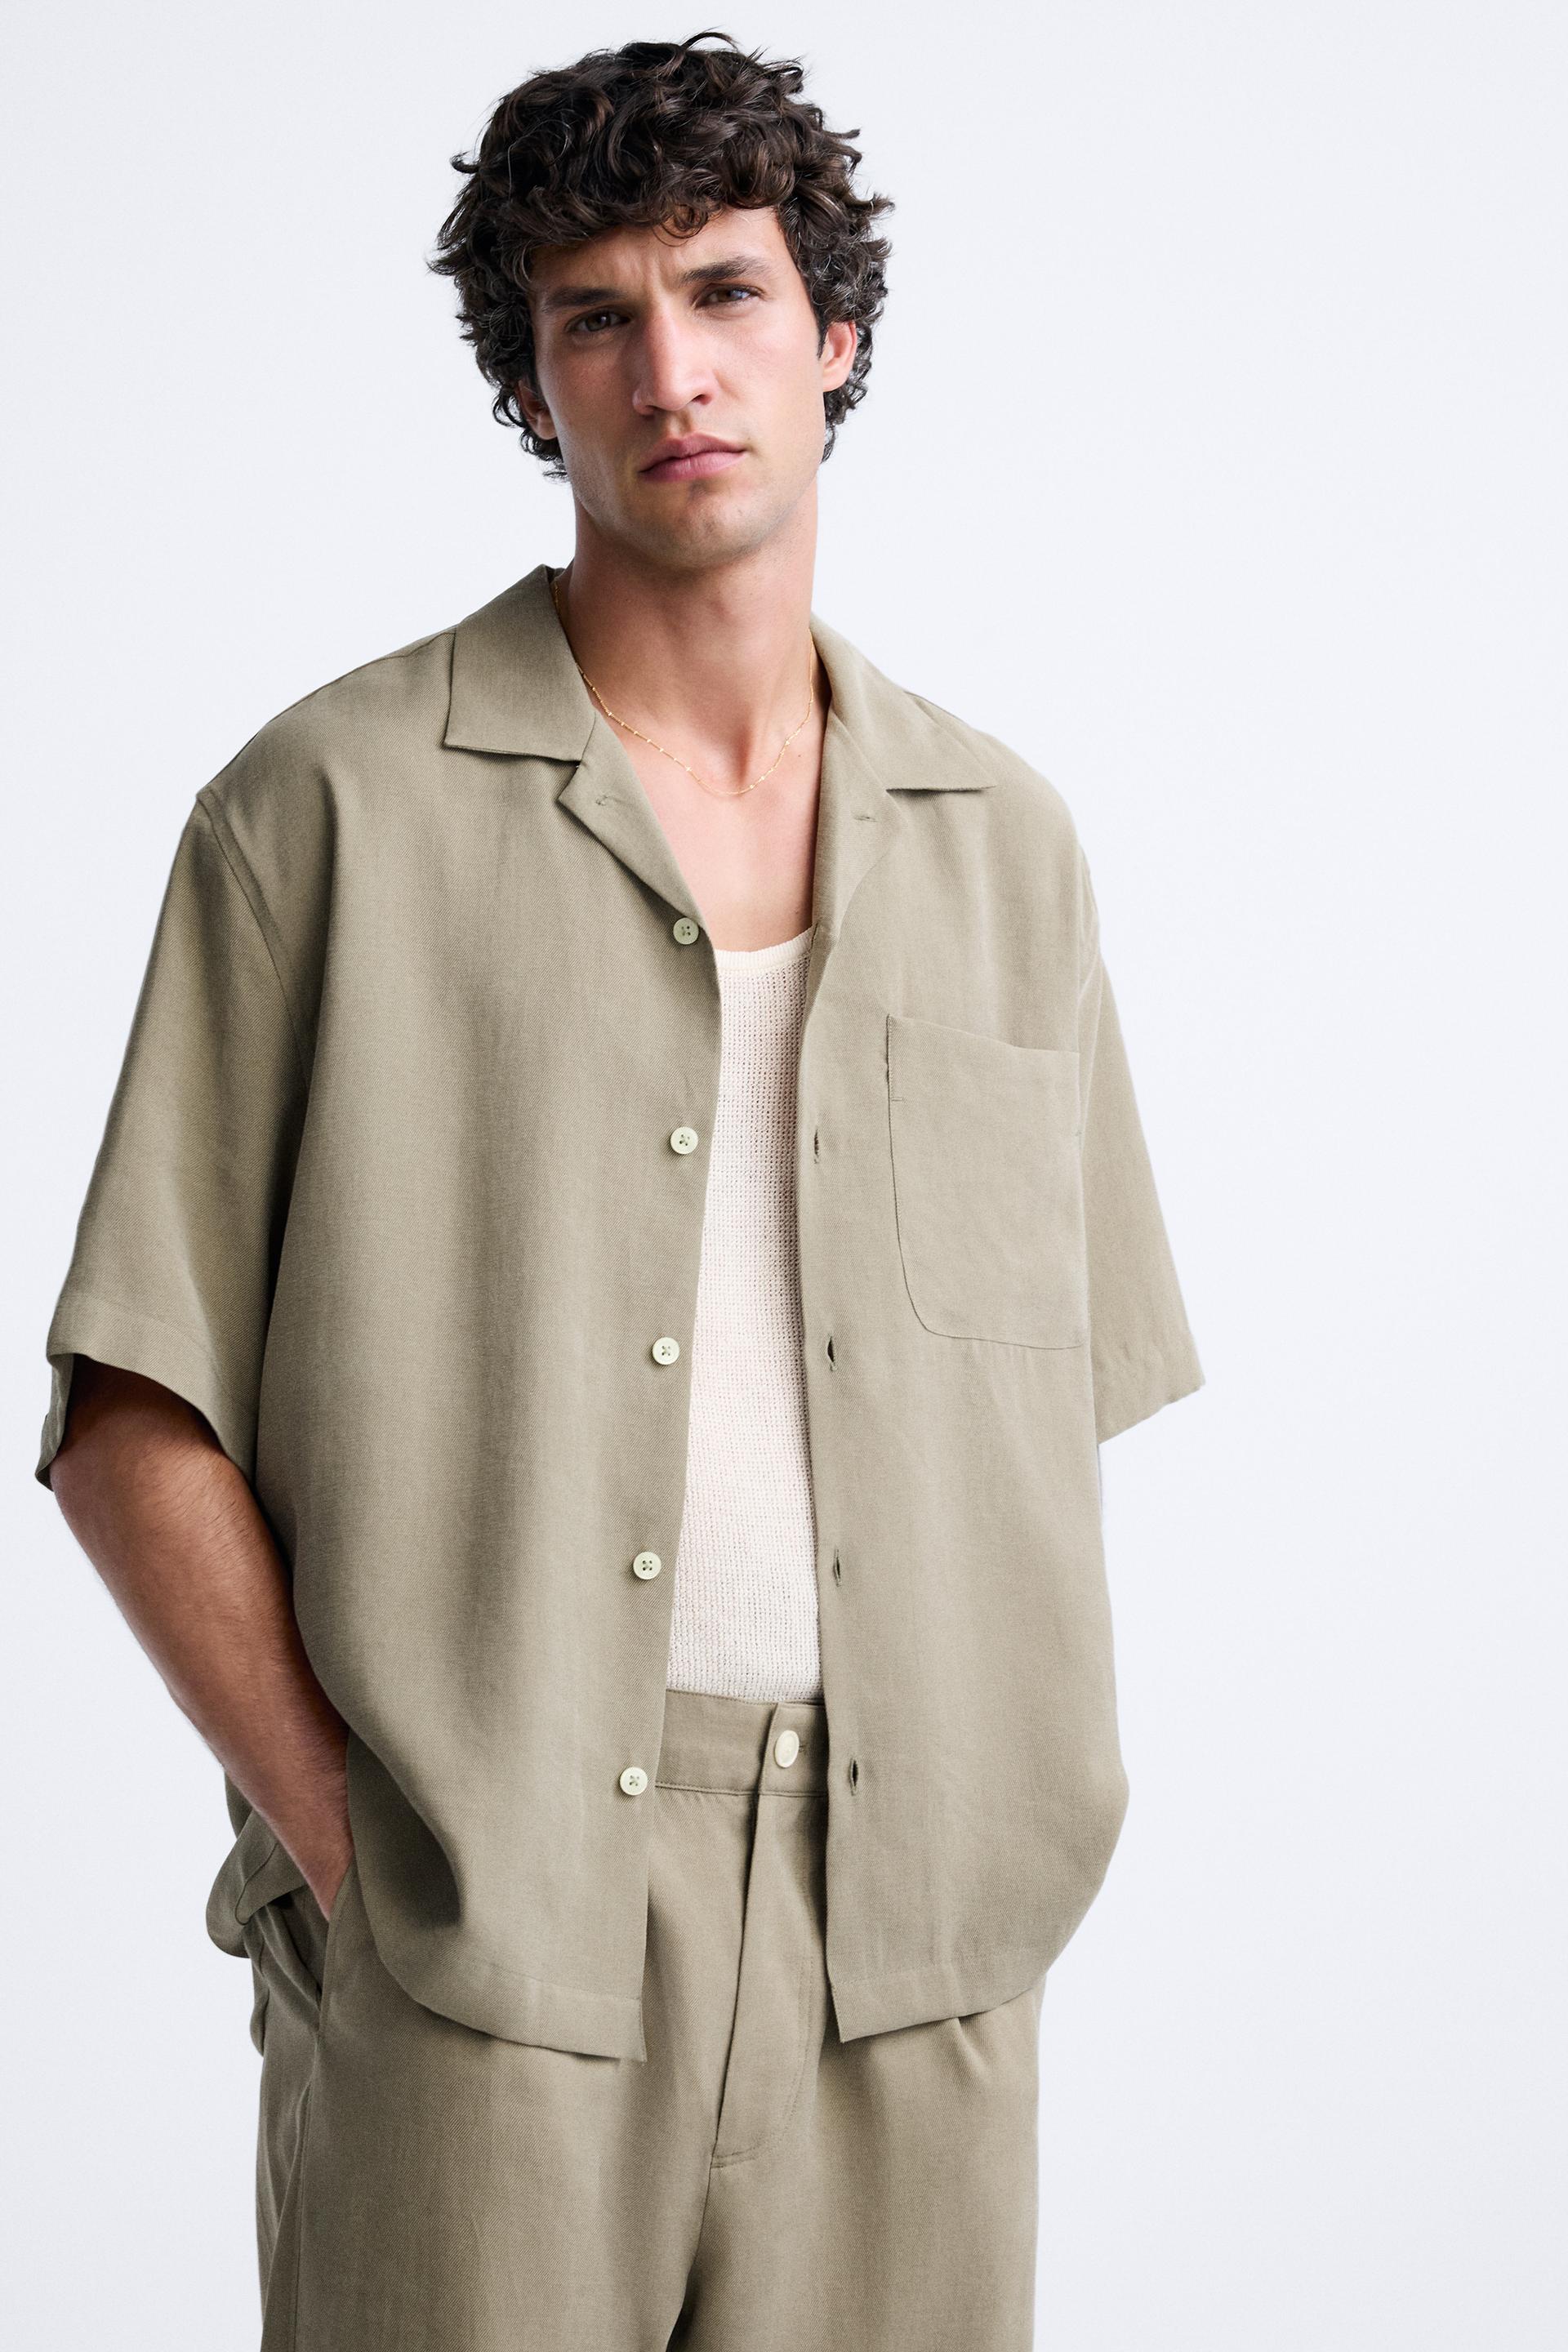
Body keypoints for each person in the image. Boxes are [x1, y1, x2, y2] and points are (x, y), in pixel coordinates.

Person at [37, 29, 1203, 2351]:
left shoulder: (1005, 849)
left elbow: (1041, 1404)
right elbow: (131, 1417)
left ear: (832, 332)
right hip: (488, 1925)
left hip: (916, 1945)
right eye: (597, 317)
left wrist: (990, 1832)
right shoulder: (323, 810)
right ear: (531, 381)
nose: (672, 371)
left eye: (726, 291)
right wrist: (360, 1855)